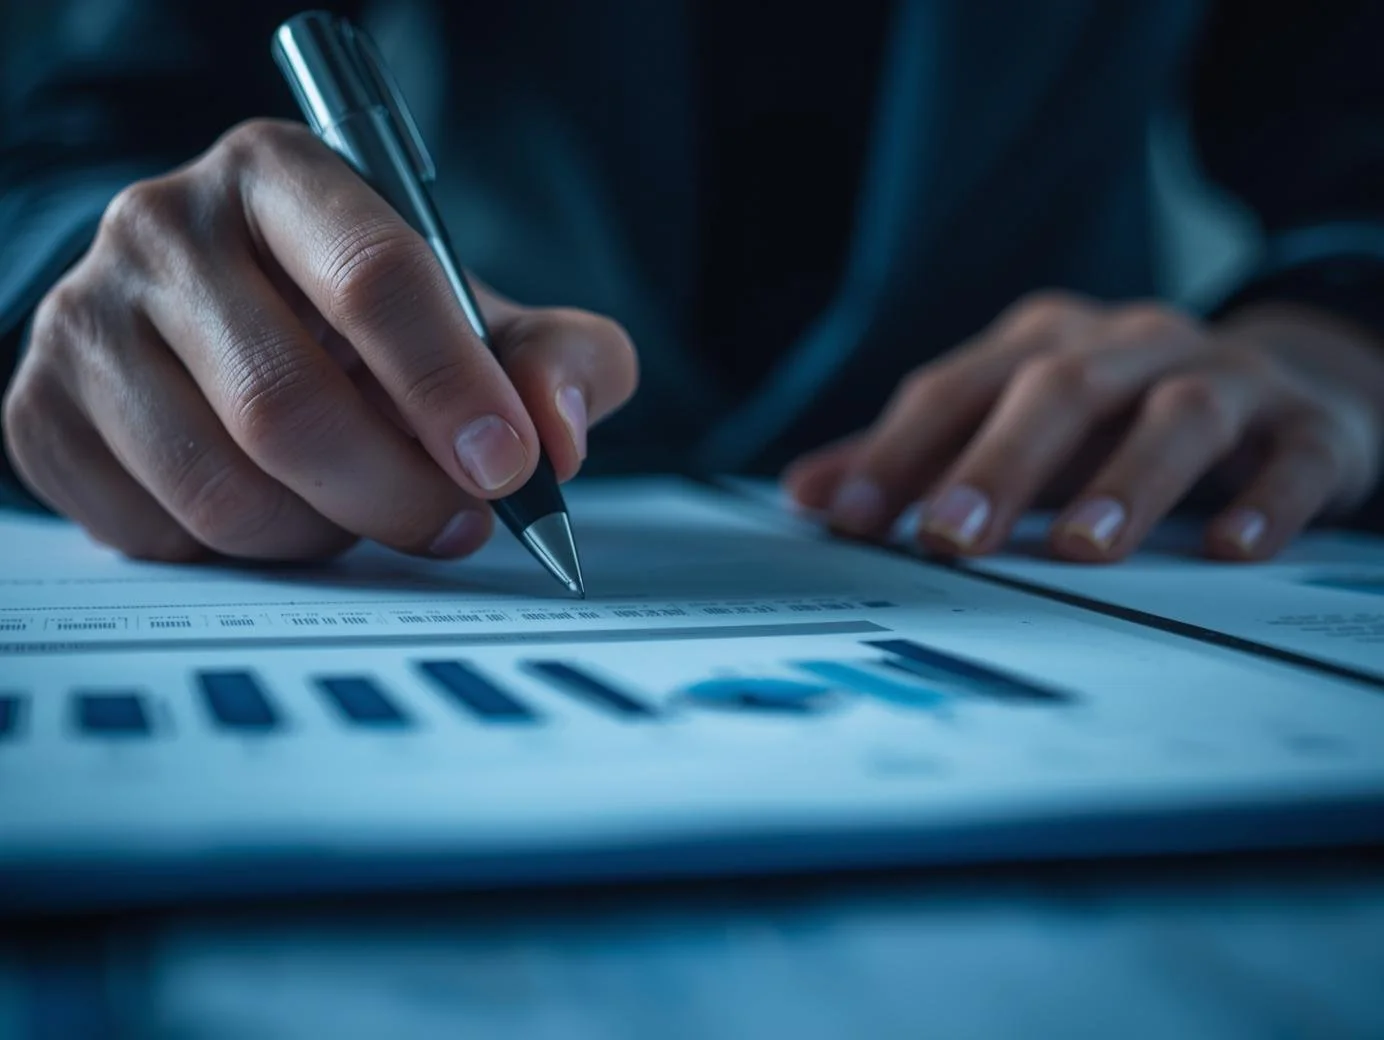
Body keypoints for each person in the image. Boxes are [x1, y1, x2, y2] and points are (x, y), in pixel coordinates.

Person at [2, 1, 1383, 566]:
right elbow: (77, 143)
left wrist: (1331, 345)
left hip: (1062, 508)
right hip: (398, 455)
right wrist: (124, 304)